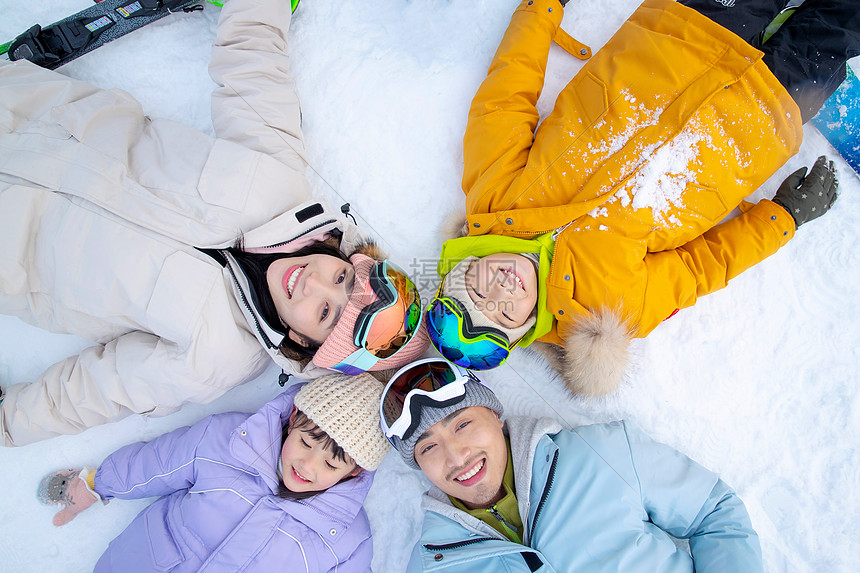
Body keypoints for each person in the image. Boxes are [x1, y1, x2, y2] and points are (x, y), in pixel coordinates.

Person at [0, 0, 429, 446]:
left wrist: (10, 422)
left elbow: (98, 390)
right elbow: (254, 71)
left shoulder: (215, 358)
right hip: (21, 109)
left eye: (325, 313)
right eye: (342, 276)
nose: (313, 283)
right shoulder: (277, 183)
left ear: (304, 341)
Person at [424, 0, 856, 396]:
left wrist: (538, 12)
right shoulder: (605, 312)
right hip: (760, 118)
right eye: (502, 315)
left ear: (465, 265)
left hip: (679, 37)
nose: (499, 290)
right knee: (839, 22)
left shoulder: (494, 193)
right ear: (524, 330)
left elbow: (505, 96)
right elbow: (700, 268)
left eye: (477, 291)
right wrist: (782, 219)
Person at [379, 359, 764, 572]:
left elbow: (713, 510)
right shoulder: (432, 564)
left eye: (463, 424)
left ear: (497, 418)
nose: (456, 455)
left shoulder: (604, 453)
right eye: (428, 449)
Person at [37, 372, 388, 572]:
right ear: (293, 419)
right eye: (305, 443)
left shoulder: (346, 538)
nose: (307, 466)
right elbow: (158, 464)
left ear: (354, 471)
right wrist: (98, 485)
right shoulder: (230, 441)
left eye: (331, 463)